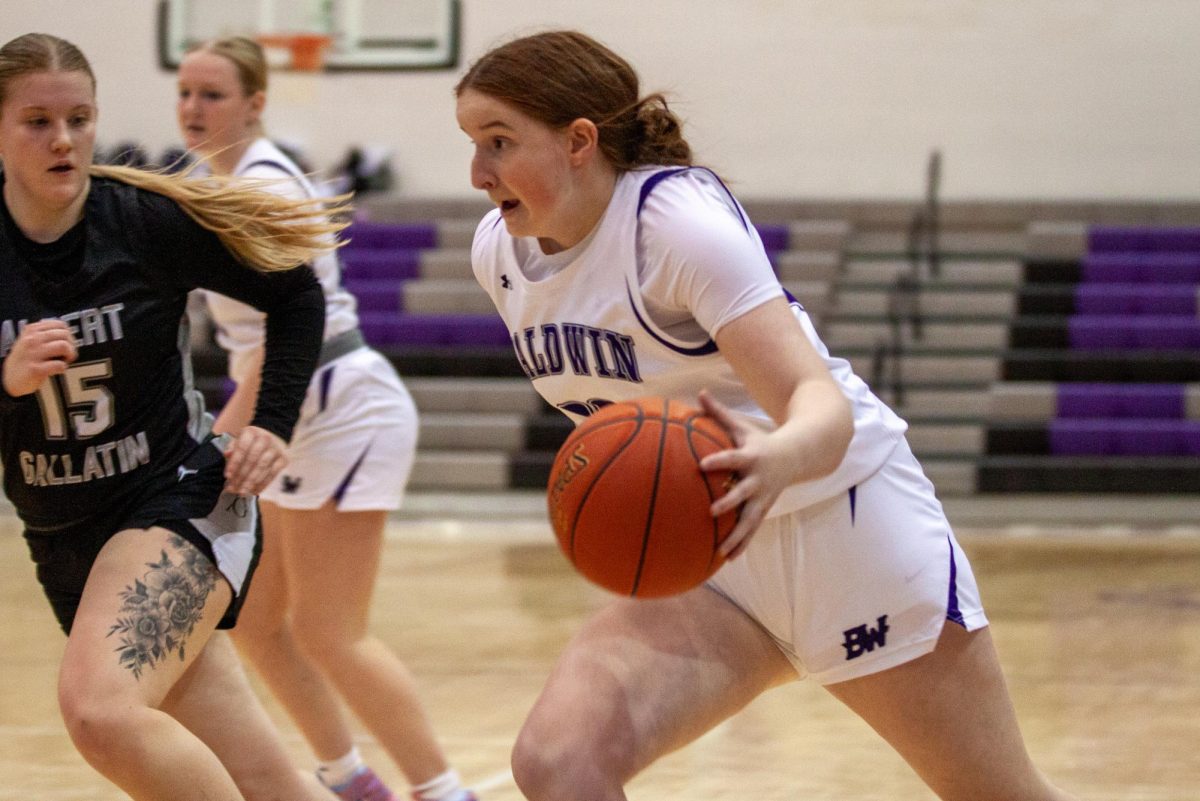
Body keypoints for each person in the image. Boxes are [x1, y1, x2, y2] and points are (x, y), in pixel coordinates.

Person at [455, 30, 1078, 801]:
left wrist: (776, 457)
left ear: (579, 140)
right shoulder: (498, 253)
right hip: (711, 560)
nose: (479, 174)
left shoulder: (672, 225)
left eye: (499, 143)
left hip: (843, 531)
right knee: (558, 763)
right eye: (472, 145)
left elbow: (820, 404)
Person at [0, 32, 348, 801]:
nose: (64, 139)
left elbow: (297, 294)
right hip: (63, 537)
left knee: (100, 712)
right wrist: (7, 378)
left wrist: (272, 424)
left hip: (178, 498)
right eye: (37, 121)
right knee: (261, 776)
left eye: (80, 118)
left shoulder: (140, 221)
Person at [175, 36, 476, 801]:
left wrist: (217, 438)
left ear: (255, 103)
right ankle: (349, 779)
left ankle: (442, 790)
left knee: (330, 629)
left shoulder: (266, 189)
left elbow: (290, 337)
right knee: (257, 620)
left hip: (338, 402)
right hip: (291, 409)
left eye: (213, 94)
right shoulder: (216, 184)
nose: (193, 108)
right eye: (185, 92)